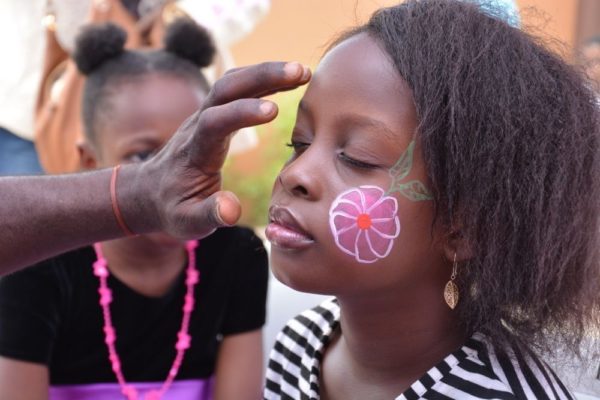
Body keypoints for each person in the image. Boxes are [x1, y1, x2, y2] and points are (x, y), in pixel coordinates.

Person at [263, 1, 599, 399]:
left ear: (463, 229)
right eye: (299, 143)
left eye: (358, 157)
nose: (294, 174)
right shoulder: (296, 347)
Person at [0, 20, 272, 400]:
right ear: (89, 160)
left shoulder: (236, 256)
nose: (174, 173)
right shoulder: (39, 265)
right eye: (144, 155)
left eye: (196, 148)